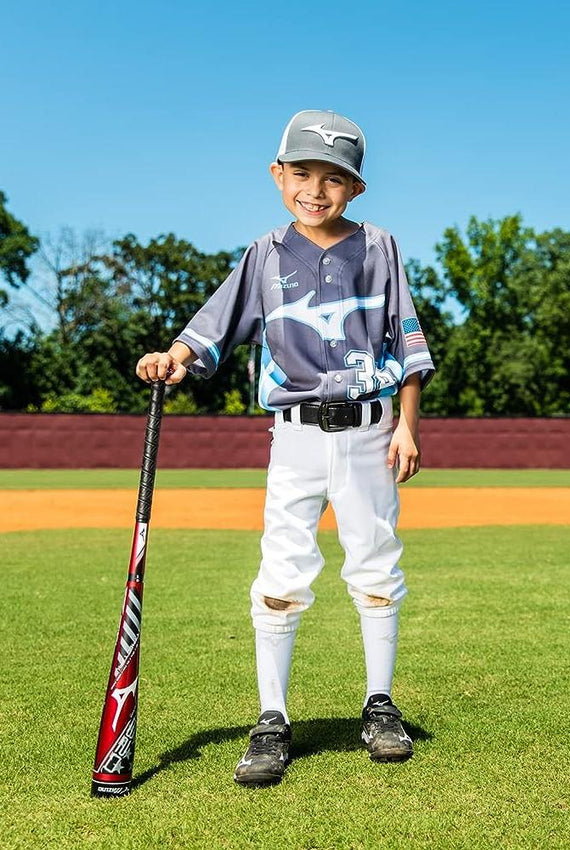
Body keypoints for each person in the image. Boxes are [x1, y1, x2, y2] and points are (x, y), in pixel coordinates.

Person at [136, 109, 435, 787]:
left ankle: (379, 705)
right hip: (296, 435)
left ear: (355, 189)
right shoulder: (264, 254)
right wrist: (174, 355)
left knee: (377, 566)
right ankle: (272, 718)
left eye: (334, 178)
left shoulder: (381, 246)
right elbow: (215, 323)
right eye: (302, 173)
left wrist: (408, 426)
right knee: (282, 572)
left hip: (370, 429)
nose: (316, 189)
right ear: (278, 175)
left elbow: (408, 347)